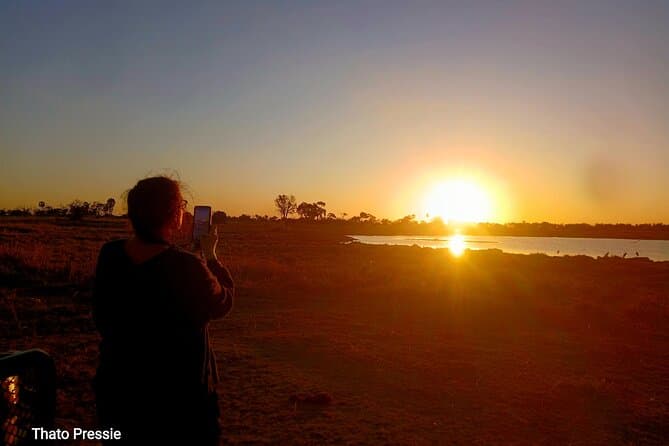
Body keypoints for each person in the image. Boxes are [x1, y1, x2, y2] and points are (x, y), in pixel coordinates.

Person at [92, 176, 234, 445]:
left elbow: (104, 316)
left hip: (118, 391)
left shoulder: (110, 255)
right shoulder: (187, 267)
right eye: (181, 204)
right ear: (173, 214)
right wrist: (211, 257)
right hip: (179, 403)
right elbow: (223, 302)